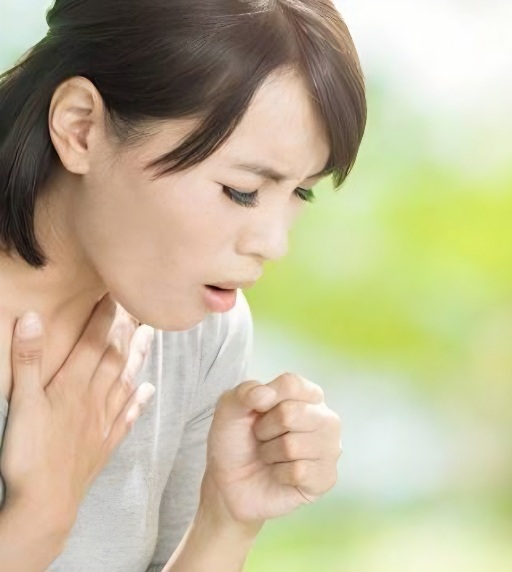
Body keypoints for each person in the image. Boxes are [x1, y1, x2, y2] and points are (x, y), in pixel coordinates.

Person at [0, 0, 366, 570]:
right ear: (81, 128)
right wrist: (37, 523)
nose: (274, 244)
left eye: (300, 192)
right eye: (242, 191)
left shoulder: (201, 332)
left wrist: (225, 521)